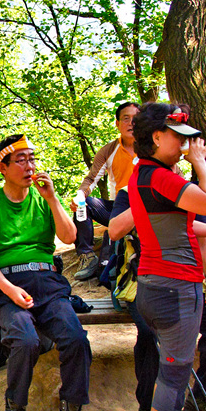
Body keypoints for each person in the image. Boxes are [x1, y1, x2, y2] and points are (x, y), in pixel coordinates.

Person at [0, 135, 93, 411]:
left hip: (48, 282)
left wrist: (52, 199)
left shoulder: (43, 199)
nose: (30, 166)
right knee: (25, 340)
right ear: (3, 168)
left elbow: (69, 236)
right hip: (8, 285)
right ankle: (14, 409)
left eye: (32, 159)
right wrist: (10, 290)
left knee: (76, 339)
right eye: (21, 160)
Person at [116, 102, 206, 411]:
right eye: (179, 137)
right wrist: (201, 164)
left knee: (168, 367)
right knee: (176, 373)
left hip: (151, 285)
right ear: (157, 137)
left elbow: (182, 225)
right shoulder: (162, 178)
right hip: (177, 287)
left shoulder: (140, 173)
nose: (186, 145)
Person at [107, 203, 206, 411]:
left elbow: (203, 241)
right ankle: (147, 407)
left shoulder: (189, 196)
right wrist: (143, 197)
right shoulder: (130, 194)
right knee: (149, 332)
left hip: (185, 283)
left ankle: (204, 399)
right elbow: (114, 231)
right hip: (142, 283)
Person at [70, 101, 139, 281]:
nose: (131, 123)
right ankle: (87, 256)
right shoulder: (109, 150)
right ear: (117, 123)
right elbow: (91, 179)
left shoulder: (154, 148)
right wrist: (79, 196)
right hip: (119, 209)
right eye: (126, 118)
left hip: (147, 210)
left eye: (136, 118)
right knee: (84, 203)